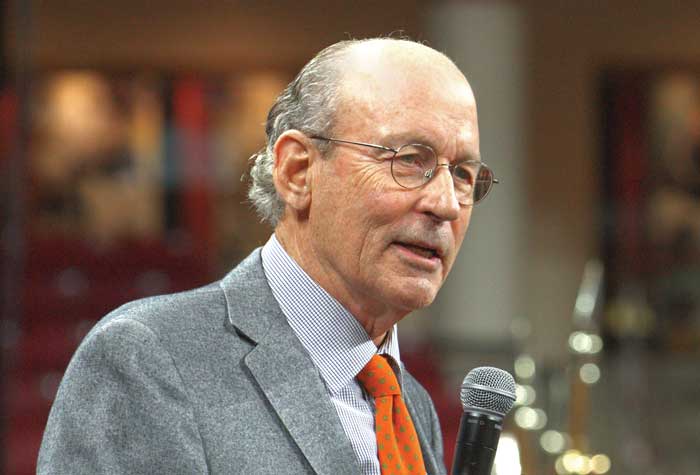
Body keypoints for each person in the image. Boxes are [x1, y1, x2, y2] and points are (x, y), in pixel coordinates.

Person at [37, 37, 497, 475]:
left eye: (462, 174)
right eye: (409, 159)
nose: (446, 204)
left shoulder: (410, 405)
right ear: (297, 172)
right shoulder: (148, 360)